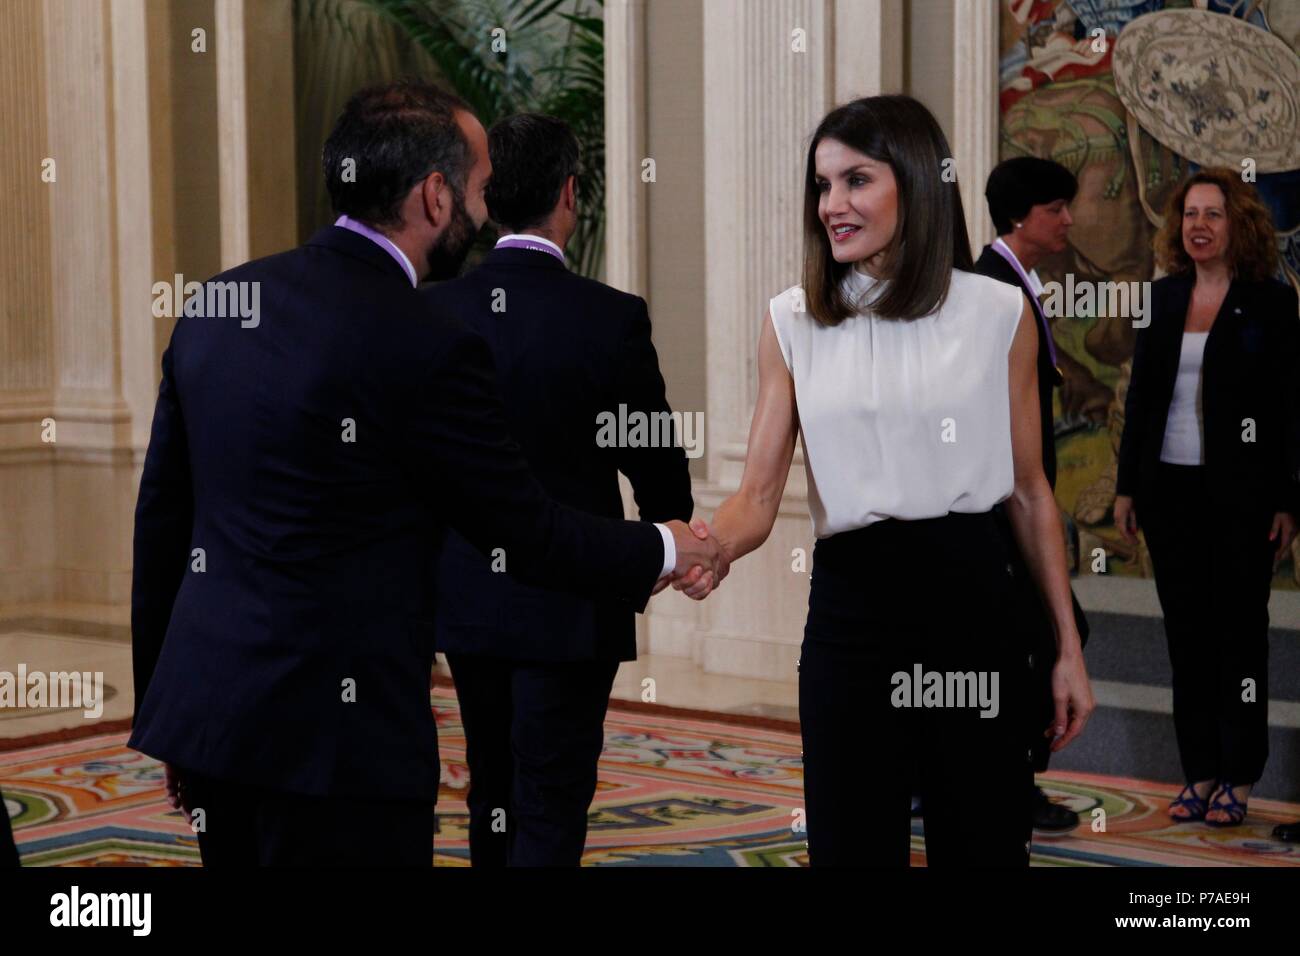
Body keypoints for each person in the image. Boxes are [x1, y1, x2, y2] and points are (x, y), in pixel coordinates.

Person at [127, 82, 723, 867]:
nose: (483, 214)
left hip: (211, 723)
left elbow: (164, 523)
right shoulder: (423, 340)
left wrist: (165, 711)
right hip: (342, 746)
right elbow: (527, 530)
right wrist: (669, 546)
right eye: (477, 191)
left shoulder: (217, 301)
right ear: (435, 196)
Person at [698, 95, 1094, 866]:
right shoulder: (793, 322)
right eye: (823, 186)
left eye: (856, 181)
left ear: (914, 182)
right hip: (855, 617)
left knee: (980, 845)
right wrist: (706, 547)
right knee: (851, 849)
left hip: (975, 608)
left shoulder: (998, 313)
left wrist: (1067, 648)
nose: (832, 205)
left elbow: (1028, 491)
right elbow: (757, 497)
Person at [422, 114, 694, 866]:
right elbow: (657, 466)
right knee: (553, 792)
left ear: (485, 197)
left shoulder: (435, 311)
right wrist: (672, 545)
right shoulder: (610, 319)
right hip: (576, 600)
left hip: (467, 599)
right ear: (570, 193)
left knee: (492, 790)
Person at [1115, 167, 1300, 827]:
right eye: (1189, 214)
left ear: (1237, 223)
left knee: (1240, 641)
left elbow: (1286, 408)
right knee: (1186, 640)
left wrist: (1286, 499)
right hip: (1170, 493)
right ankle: (1197, 773)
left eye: (1212, 214)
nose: (1198, 225)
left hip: (1243, 498)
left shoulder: (1272, 302)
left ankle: (1240, 779)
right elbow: (1140, 398)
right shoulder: (1163, 298)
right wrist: (1127, 486)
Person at [974, 156, 1091, 834]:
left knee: (1051, 634)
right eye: (1057, 207)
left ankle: (1009, 780)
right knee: (1036, 641)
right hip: (996, 510)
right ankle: (1011, 785)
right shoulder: (991, 289)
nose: (1069, 219)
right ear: (1022, 215)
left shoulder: (1013, 282)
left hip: (1015, 503)